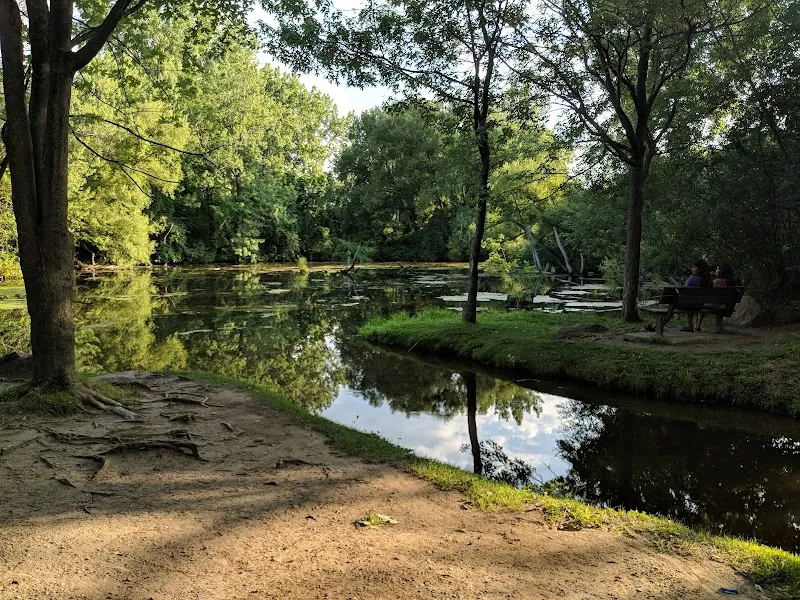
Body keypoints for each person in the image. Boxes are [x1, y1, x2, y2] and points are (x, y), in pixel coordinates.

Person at [682, 259, 711, 331]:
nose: (692, 269)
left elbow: (683, 291)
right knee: (691, 300)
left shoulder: (693, 279)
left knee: (686, 301)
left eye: (694, 267)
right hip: (700, 305)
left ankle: (657, 325)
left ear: (700, 269)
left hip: (690, 305)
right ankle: (689, 325)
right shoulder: (708, 279)